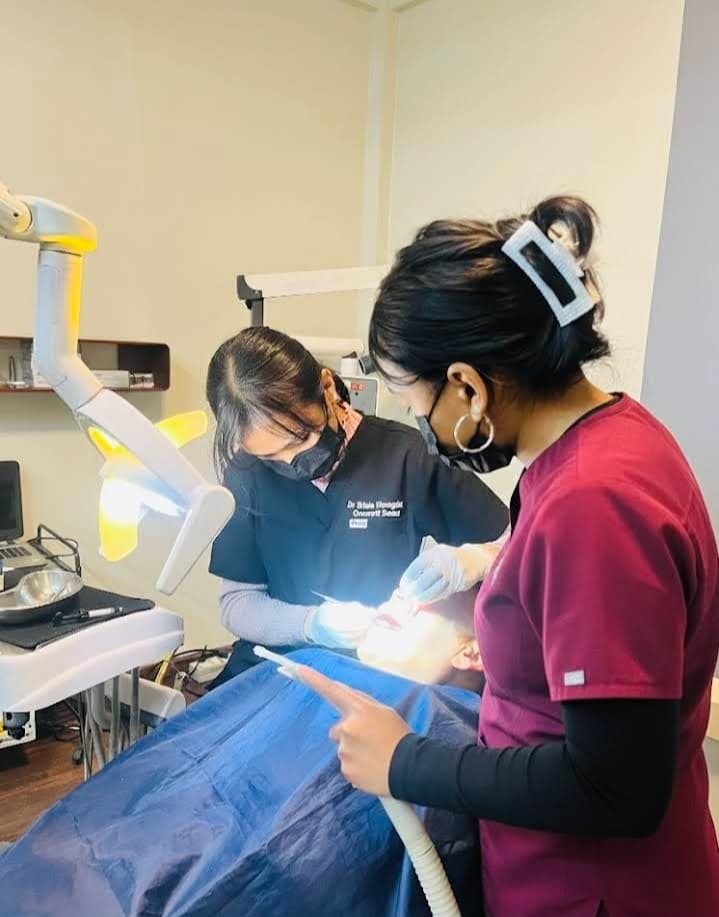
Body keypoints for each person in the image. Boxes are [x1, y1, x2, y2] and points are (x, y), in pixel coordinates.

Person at [297, 195, 719, 917]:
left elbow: (616, 787)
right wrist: (476, 584)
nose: (415, 420)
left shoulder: (593, 502)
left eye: (410, 397)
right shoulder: (608, 435)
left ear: (466, 384)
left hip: (596, 890)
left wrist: (405, 761)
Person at [206, 326, 508, 682]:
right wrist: (310, 624)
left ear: (327, 387)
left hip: (369, 674)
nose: (292, 463)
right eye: (271, 457)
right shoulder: (247, 474)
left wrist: (473, 559)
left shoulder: (408, 457)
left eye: (300, 438)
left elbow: (517, 541)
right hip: (270, 669)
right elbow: (237, 602)